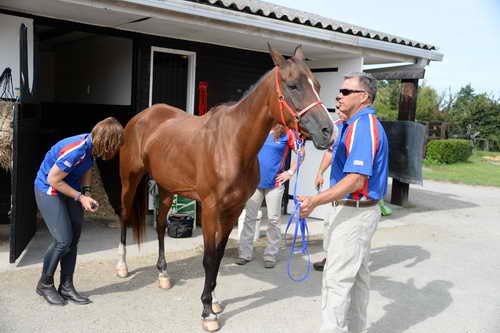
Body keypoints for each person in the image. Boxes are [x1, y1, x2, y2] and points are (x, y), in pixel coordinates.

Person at [299, 72, 389, 333]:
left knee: (336, 281)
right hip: (351, 212)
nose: (339, 95)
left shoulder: (364, 126)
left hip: (355, 213)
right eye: (339, 91)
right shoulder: (348, 124)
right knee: (357, 279)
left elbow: (356, 180)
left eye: (346, 91)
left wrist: (315, 201)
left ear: (363, 97)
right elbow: (328, 146)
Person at [34, 117, 123, 306]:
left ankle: (66, 286)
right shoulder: (76, 150)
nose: (116, 150)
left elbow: (87, 169)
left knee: (73, 239)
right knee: (62, 240)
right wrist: (80, 197)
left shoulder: (93, 148)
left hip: (69, 189)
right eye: (116, 145)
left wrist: (86, 192)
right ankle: (45, 284)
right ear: (108, 142)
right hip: (49, 189)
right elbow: (53, 180)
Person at [236, 123, 304, 269]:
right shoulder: (257, 127)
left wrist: (290, 172)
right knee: (249, 218)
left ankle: (270, 255)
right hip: (253, 183)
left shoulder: (288, 132)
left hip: (275, 183)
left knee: (273, 220)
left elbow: (301, 153)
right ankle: (244, 254)